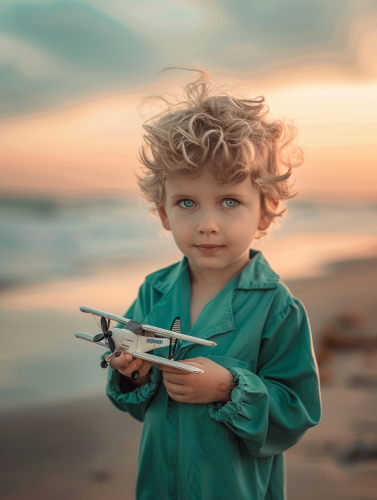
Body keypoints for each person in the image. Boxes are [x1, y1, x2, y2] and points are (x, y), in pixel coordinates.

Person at [105, 69, 321, 500]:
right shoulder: (154, 292)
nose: (206, 224)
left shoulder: (278, 308)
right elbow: (132, 403)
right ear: (164, 213)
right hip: (159, 487)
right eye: (187, 202)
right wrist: (132, 376)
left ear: (265, 211)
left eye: (229, 202)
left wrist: (228, 388)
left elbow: (297, 413)